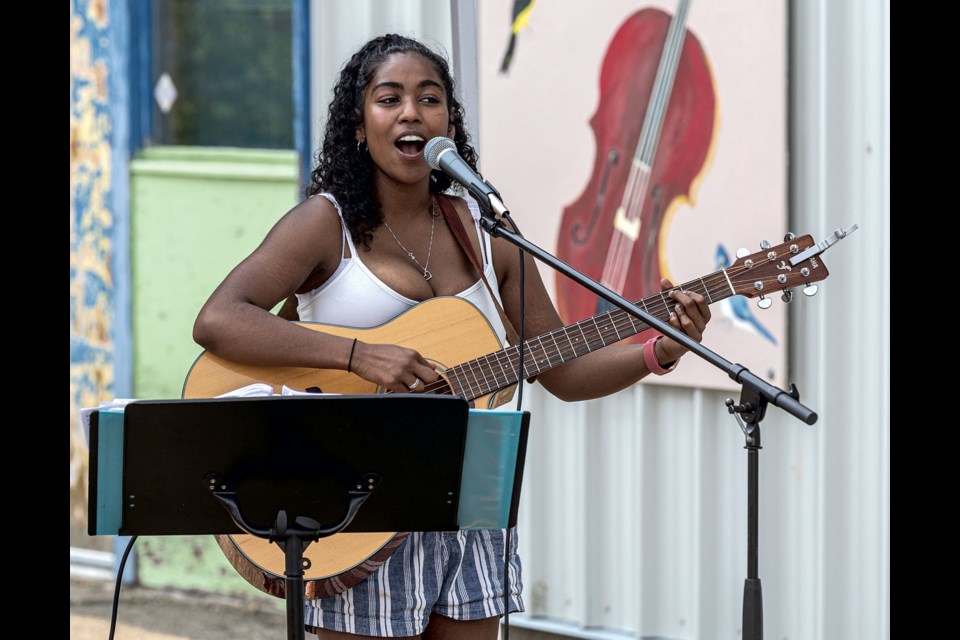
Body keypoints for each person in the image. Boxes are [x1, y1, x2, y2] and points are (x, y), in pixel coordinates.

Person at [193, 33, 712, 640]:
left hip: (467, 506)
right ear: (360, 127)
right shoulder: (325, 225)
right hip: (360, 504)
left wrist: (659, 350)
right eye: (390, 99)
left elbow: (564, 372)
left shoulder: (491, 237)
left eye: (429, 98)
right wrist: (360, 356)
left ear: (449, 125)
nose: (411, 112)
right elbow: (220, 319)